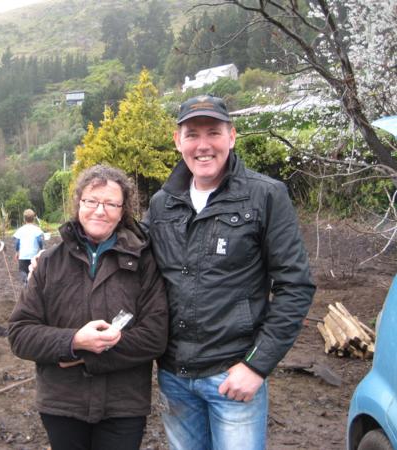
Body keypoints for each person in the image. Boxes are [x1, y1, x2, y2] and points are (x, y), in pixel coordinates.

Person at [143, 95, 316, 450]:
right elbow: (131, 263)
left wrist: (256, 366)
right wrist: (63, 258)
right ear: (178, 142)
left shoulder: (265, 196)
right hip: (175, 376)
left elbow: (295, 286)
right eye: (192, 134)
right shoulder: (162, 203)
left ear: (232, 136)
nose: (203, 145)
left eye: (213, 133)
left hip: (233, 375)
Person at [8, 165, 169, 450]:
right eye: (92, 201)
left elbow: (155, 335)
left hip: (123, 406)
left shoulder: (143, 262)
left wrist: (86, 355)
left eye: (110, 203)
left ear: (123, 211)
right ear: (79, 204)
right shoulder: (49, 263)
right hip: (62, 404)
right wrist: (72, 341)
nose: (100, 210)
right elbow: (20, 334)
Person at [13, 209, 44, 286]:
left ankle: (26, 282)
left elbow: (17, 242)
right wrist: (41, 249)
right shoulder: (37, 229)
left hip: (23, 255)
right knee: (34, 271)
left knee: (22, 270)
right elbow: (39, 240)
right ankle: (30, 284)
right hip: (34, 255)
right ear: (33, 218)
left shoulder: (20, 230)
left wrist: (17, 252)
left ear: (24, 219)